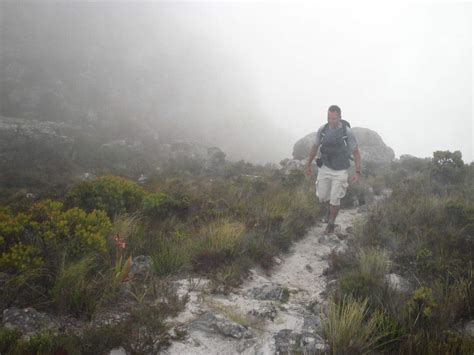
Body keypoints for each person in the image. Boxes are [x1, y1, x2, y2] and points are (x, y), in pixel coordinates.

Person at [304, 105, 361, 234]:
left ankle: (331, 224)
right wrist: (308, 164)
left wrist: (358, 172)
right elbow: (315, 147)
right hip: (324, 167)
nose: (331, 121)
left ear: (340, 117)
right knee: (322, 196)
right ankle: (329, 209)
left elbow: (356, 153)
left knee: (335, 199)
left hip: (340, 170)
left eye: (334, 118)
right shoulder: (323, 130)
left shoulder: (347, 132)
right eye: (329, 118)